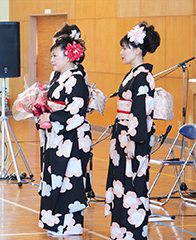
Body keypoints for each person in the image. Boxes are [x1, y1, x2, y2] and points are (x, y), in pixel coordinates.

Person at [104, 21, 160, 240]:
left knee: (133, 183)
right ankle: (120, 230)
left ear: (138, 50)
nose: (121, 52)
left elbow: (140, 110)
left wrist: (134, 140)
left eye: (125, 48)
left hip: (133, 137)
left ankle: (133, 232)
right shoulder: (132, 75)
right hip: (122, 135)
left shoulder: (143, 76)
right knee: (121, 182)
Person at [37, 35, 91, 236]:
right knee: (55, 179)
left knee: (69, 181)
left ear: (68, 56)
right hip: (58, 137)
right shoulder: (61, 77)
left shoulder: (76, 79)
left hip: (72, 139)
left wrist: (51, 117)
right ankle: (56, 222)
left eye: (55, 55)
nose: (52, 60)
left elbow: (77, 112)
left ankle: (69, 225)